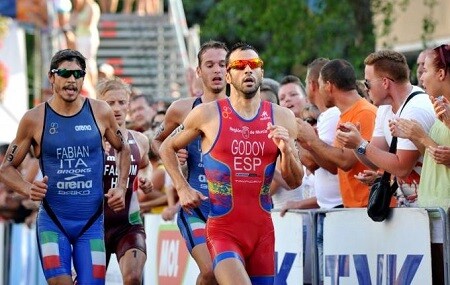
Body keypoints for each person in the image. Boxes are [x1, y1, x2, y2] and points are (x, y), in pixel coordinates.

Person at [159, 42, 303, 285]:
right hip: (223, 229)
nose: (248, 70)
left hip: (262, 232)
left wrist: (287, 150)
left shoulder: (282, 117)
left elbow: (294, 180)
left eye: (254, 65)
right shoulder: (207, 114)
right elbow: (166, 146)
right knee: (212, 275)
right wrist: (182, 188)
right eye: (239, 65)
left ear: (262, 73)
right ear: (228, 75)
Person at [0, 49, 131, 285]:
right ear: (52, 77)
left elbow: (123, 148)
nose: (72, 79)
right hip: (53, 221)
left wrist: (121, 187)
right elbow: (6, 168)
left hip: (91, 223)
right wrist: (28, 188)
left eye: (78, 74)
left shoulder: (100, 111)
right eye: (65, 73)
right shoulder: (34, 118)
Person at [153, 40, 229, 285]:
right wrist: (176, 168)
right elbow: (157, 142)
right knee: (209, 270)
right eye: (210, 65)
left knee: (222, 277)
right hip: (195, 206)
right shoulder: (181, 109)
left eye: (222, 64)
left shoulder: (241, 110)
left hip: (230, 209)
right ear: (198, 71)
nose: (217, 70)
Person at [336, 50, 435, 207]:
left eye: (367, 83)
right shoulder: (385, 108)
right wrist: (355, 144)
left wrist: (360, 144)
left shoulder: (415, 109)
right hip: (410, 207)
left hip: (432, 205)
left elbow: (402, 168)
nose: (365, 89)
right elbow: (375, 160)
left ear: (385, 83)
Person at [390, 43, 450, 285]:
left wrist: (421, 136)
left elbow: (442, 155)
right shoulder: (440, 107)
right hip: (434, 206)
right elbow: (435, 157)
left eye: (424, 70)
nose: (420, 77)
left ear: (442, 73)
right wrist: (413, 135)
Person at [280, 58, 342, 285]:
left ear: (310, 88)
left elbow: (323, 164)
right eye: (282, 98)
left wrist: (301, 140)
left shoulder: (328, 117)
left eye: (293, 94)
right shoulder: (321, 120)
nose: (287, 101)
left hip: (334, 212)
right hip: (318, 218)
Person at [296, 59, 377, 208]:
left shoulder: (364, 112)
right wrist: (308, 145)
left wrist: (313, 140)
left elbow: (346, 161)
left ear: (329, 86)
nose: (318, 91)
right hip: (353, 207)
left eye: (320, 85)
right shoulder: (344, 115)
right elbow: (334, 165)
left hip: (367, 206)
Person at [97, 77, 152, 285]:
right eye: (110, 103)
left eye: (121, 102)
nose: (117, 108)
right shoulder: (91, 140)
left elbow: (146, 165)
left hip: (128, 225)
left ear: (128, 104)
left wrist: (145, 179)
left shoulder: (140, 140)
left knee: (133, 278)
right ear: (100, 105)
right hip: (94, 226)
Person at [70, 0, 100, 98]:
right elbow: (71, 20)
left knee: (89, 63)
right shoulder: (79, 8)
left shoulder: (93, 6)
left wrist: (77, 20)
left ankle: (92, 86)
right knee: (83, 63)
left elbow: (88, 22)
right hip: (80, 38)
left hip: (88, 38)